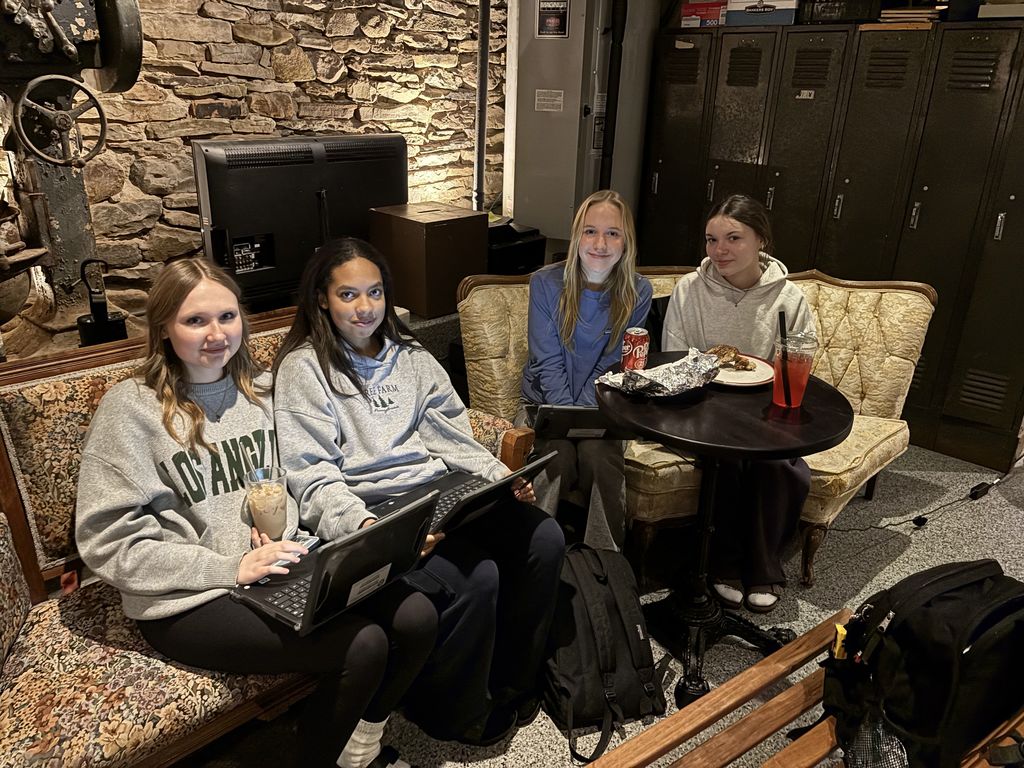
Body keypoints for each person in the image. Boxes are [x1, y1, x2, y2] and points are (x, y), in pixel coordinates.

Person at [75, 258, 437, 768]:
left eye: (227, 317)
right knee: (363, 644)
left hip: (280, 568)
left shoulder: (264, 390)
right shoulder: (131, 410)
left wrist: (358, 526)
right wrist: (227, 567)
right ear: (163, 329)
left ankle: (359, 748)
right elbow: (106, 542)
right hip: (188, 598)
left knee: (417, 616)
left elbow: (309, 477)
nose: (216, 334)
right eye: (195, 320)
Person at [272, 238, 565, 747]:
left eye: (375, 292)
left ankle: (514, 681)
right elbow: (311, 475)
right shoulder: (305, 369)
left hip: (440, 491)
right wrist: (367, 530)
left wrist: (499, 477)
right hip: (375, 511)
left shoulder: (409, 354)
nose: (365, 308)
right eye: (348, 295)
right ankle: (453, 712)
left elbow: (451, 432)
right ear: (322, 299)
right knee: (478, 578)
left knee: (543, 538)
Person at [661, 193, 815, 613]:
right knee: (725, 459)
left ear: (760, 240)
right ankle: (723, 564)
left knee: (775, 463)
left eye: (733, 238)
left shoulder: (790, 298)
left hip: (764, 409)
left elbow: (800, 357)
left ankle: (763, 567)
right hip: (702, 406)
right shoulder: (690, 290)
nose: (720, 250)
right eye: (711, 240)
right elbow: (674, 358)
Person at [519, 189, 653, 550]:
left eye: (613, 233)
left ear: (626, 242)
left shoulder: (638, 291)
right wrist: (568, 419)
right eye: (590, 231)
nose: (600, 243)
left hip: (600, 405)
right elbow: (547, 361)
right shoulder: (545, 283)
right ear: (577, 235)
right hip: (545, 404)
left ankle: (606, 561)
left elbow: (613, 365)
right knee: (555, 458)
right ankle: (533, 556)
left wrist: (583, 421)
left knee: (601, 460)